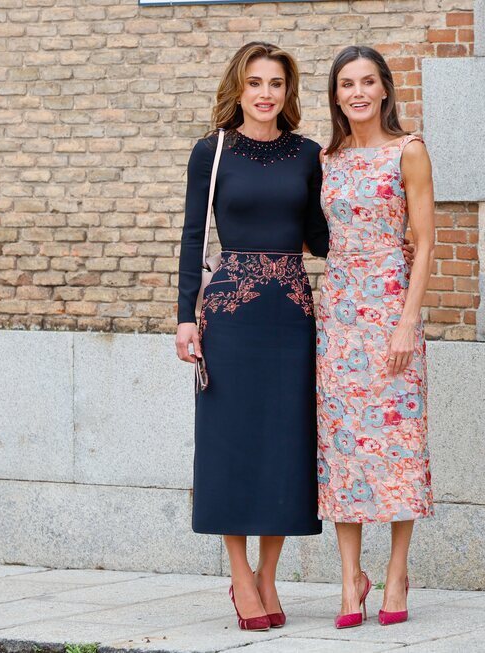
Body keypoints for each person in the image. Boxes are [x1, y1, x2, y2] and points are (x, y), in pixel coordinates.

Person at [174, 41, 327, 633]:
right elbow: (192, 237)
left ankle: (269, 575)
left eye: (277, 84)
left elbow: (320, 235)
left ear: (289, 93)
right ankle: (240, 575)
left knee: (285, 443)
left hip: (291, 312)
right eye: (256, 82)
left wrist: (377, 239)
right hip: (229, 315)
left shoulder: (309, 153)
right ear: (238, 87)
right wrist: (186, 316)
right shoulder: (210, 152)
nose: (266, 93)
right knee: (231, 440)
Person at [316, 45, 436, 629]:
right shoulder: (327, 159)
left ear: (385, 89)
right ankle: (348, 578)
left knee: (396, 443)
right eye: (346, 84)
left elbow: (426, 240)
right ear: (335, 95)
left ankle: (395, 571)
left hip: (391, 307)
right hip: (338, 314)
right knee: (343, 447)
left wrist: (408, 321)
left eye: (368, 82)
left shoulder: (408, 151)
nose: (358, 92)